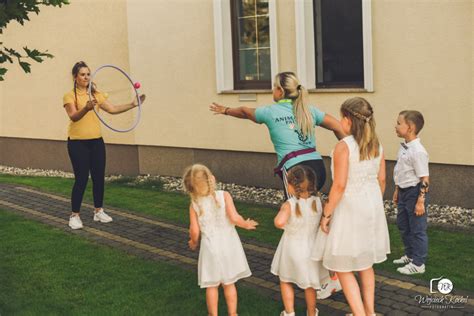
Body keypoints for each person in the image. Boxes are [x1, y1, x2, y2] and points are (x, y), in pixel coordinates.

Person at [312, 97, 390, 316]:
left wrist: (326, 215)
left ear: (347, 120)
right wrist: (373, 202)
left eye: (341, 116)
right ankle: (370, 312)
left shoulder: (343, 146)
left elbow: (339, 185)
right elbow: (382, 180)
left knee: (343, 265)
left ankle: (359, 314)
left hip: (349, 208)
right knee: (365, 264)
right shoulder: (377, 145)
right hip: (371, 206)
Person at [209, 71, 344, 198]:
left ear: (280, 91)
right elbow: (338, 126)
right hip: (318, 168)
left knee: (294, 213)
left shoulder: (270, 112)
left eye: (274, 87)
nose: (272, 90)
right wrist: (352, 151)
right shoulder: (309, 110)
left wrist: (226, 110)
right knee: (311, 209)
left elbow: (245, 111)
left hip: (296, 171)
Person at [63, 61, 146, 230]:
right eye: (82, 74)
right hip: (77, 143)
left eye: (88, 74)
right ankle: (74, 216)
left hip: (96, 142)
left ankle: (98, 211)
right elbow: (73, 116)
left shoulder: (96, 94)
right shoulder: (69, 96)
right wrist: (86, 108)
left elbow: (113, 109)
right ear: (75, 77)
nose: (86, 77)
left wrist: (132, 105)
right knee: (81, 179)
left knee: (99, 177)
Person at [183, 164, 258, 316]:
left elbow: (194, 230)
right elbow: (234, 217)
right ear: (212, 179)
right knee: (229, 283)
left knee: (212, 285)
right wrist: (245, 224)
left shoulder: (195, 205)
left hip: (210, 248)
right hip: (229, 245)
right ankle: (233, 313)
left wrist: (193, 242)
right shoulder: (224, 196)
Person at [271, 165, 328, 316]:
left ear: (291, 185)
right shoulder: (318, 202)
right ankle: (311, 312)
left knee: (286, 280)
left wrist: (288, 225)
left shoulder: (289, 205)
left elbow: (278, 222)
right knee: (310, 285)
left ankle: (289, 312)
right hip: (311, 249)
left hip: (292, 249)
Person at [392, 110, 429, 275]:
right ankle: (409, 255)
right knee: (403, 225)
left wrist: (420, 201)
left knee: (417, 229)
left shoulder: (418, 151)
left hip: (414, 194)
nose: (396, 126)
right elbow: (401, 172)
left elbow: (425, 179)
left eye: (399, 123)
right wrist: (396, 190)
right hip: (403, 192)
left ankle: (419, 263)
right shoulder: (404, 148)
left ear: (411, 127)